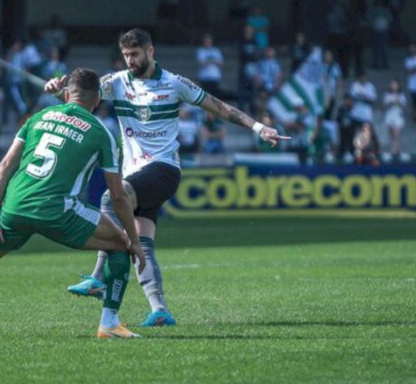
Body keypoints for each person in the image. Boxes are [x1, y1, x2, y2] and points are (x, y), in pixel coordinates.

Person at [45, 29, 288, 327]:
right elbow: (80, 99)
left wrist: (258, 127)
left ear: (151, 51)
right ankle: (160, 310)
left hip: (164, 170)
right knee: (142, 243)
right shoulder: (117, 82)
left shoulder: (174, 83)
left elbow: (220, 107)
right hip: (136, 175)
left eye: (135, 54)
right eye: (125, 56)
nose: (130, 61)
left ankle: (96, 278)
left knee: (112, 197)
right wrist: (59, 90)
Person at [0, 68, 146, 339]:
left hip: (15, 206)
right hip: (58, 210)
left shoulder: (37, 117)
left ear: (68, 93)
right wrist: (134, 241)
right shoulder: (101, 133)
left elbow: (4, 166)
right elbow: (118, 197)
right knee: (119, 244)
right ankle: (109, 323)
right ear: (97, 100)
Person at [383, 80, 406, 155]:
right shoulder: (387, 95)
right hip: (390, 115)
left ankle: (393, 151)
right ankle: (397, 150)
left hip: (398, 115)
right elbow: (385, 106)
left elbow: (403, 106)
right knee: (392, 136)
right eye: (392, 84)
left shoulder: (401, 95)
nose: (394, 86)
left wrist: (398, 101)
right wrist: (391, 102)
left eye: (395, 84)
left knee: (397, 135)